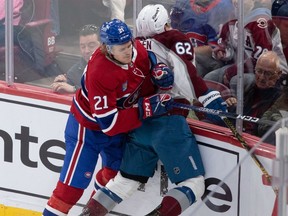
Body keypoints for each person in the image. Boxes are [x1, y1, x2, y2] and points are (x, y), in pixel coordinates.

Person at [80, 4, 228, 216]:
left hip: (140, 124)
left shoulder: (136, 45)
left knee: (125, 181)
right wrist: (207, 95)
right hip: (168, 123)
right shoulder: (174, 38)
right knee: (194, 183)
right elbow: (186, 73)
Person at [42, 18, 173, 216]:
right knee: (70, 189)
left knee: (113, 176)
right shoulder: (99, 72)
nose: (129, 51)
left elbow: (149, 62)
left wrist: (159, 70)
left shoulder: (134, 49)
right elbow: (109, 125)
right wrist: (144, 108)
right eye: (122, 49)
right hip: (87, 130)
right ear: (108, 48)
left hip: (120, 125)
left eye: (129, 45)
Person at [204, 0, 288, 95]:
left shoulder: (260, 22)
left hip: (271, 72)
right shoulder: (231, 22)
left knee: (236, 82)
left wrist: (232, 71)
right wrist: (221, 52)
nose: (237, 2)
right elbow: (225, 48)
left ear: (253, 2)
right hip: (241, 66)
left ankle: (239, 108)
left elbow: (262, 60)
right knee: (210, 78)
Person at [170, 0, 235, 77]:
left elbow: (218, 49)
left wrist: (187, 50)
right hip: (186, 56)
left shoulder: (223, 6)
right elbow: (171, 32)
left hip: (211, 62)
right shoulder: (183, 3)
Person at [225, 51, 283, 136]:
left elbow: (265, 130)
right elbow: (237, 117)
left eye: (268, 73)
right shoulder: (249, 88)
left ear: (278, 74)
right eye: (259, 71)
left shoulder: (280, 98)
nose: (262, 77)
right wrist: (232, 105)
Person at [51, 24, 100, 94]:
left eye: (91, 46)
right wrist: (61, 83)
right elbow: (69, 85)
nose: (86, 51)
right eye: (83, 47)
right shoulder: (75, 71)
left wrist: (75, 89)